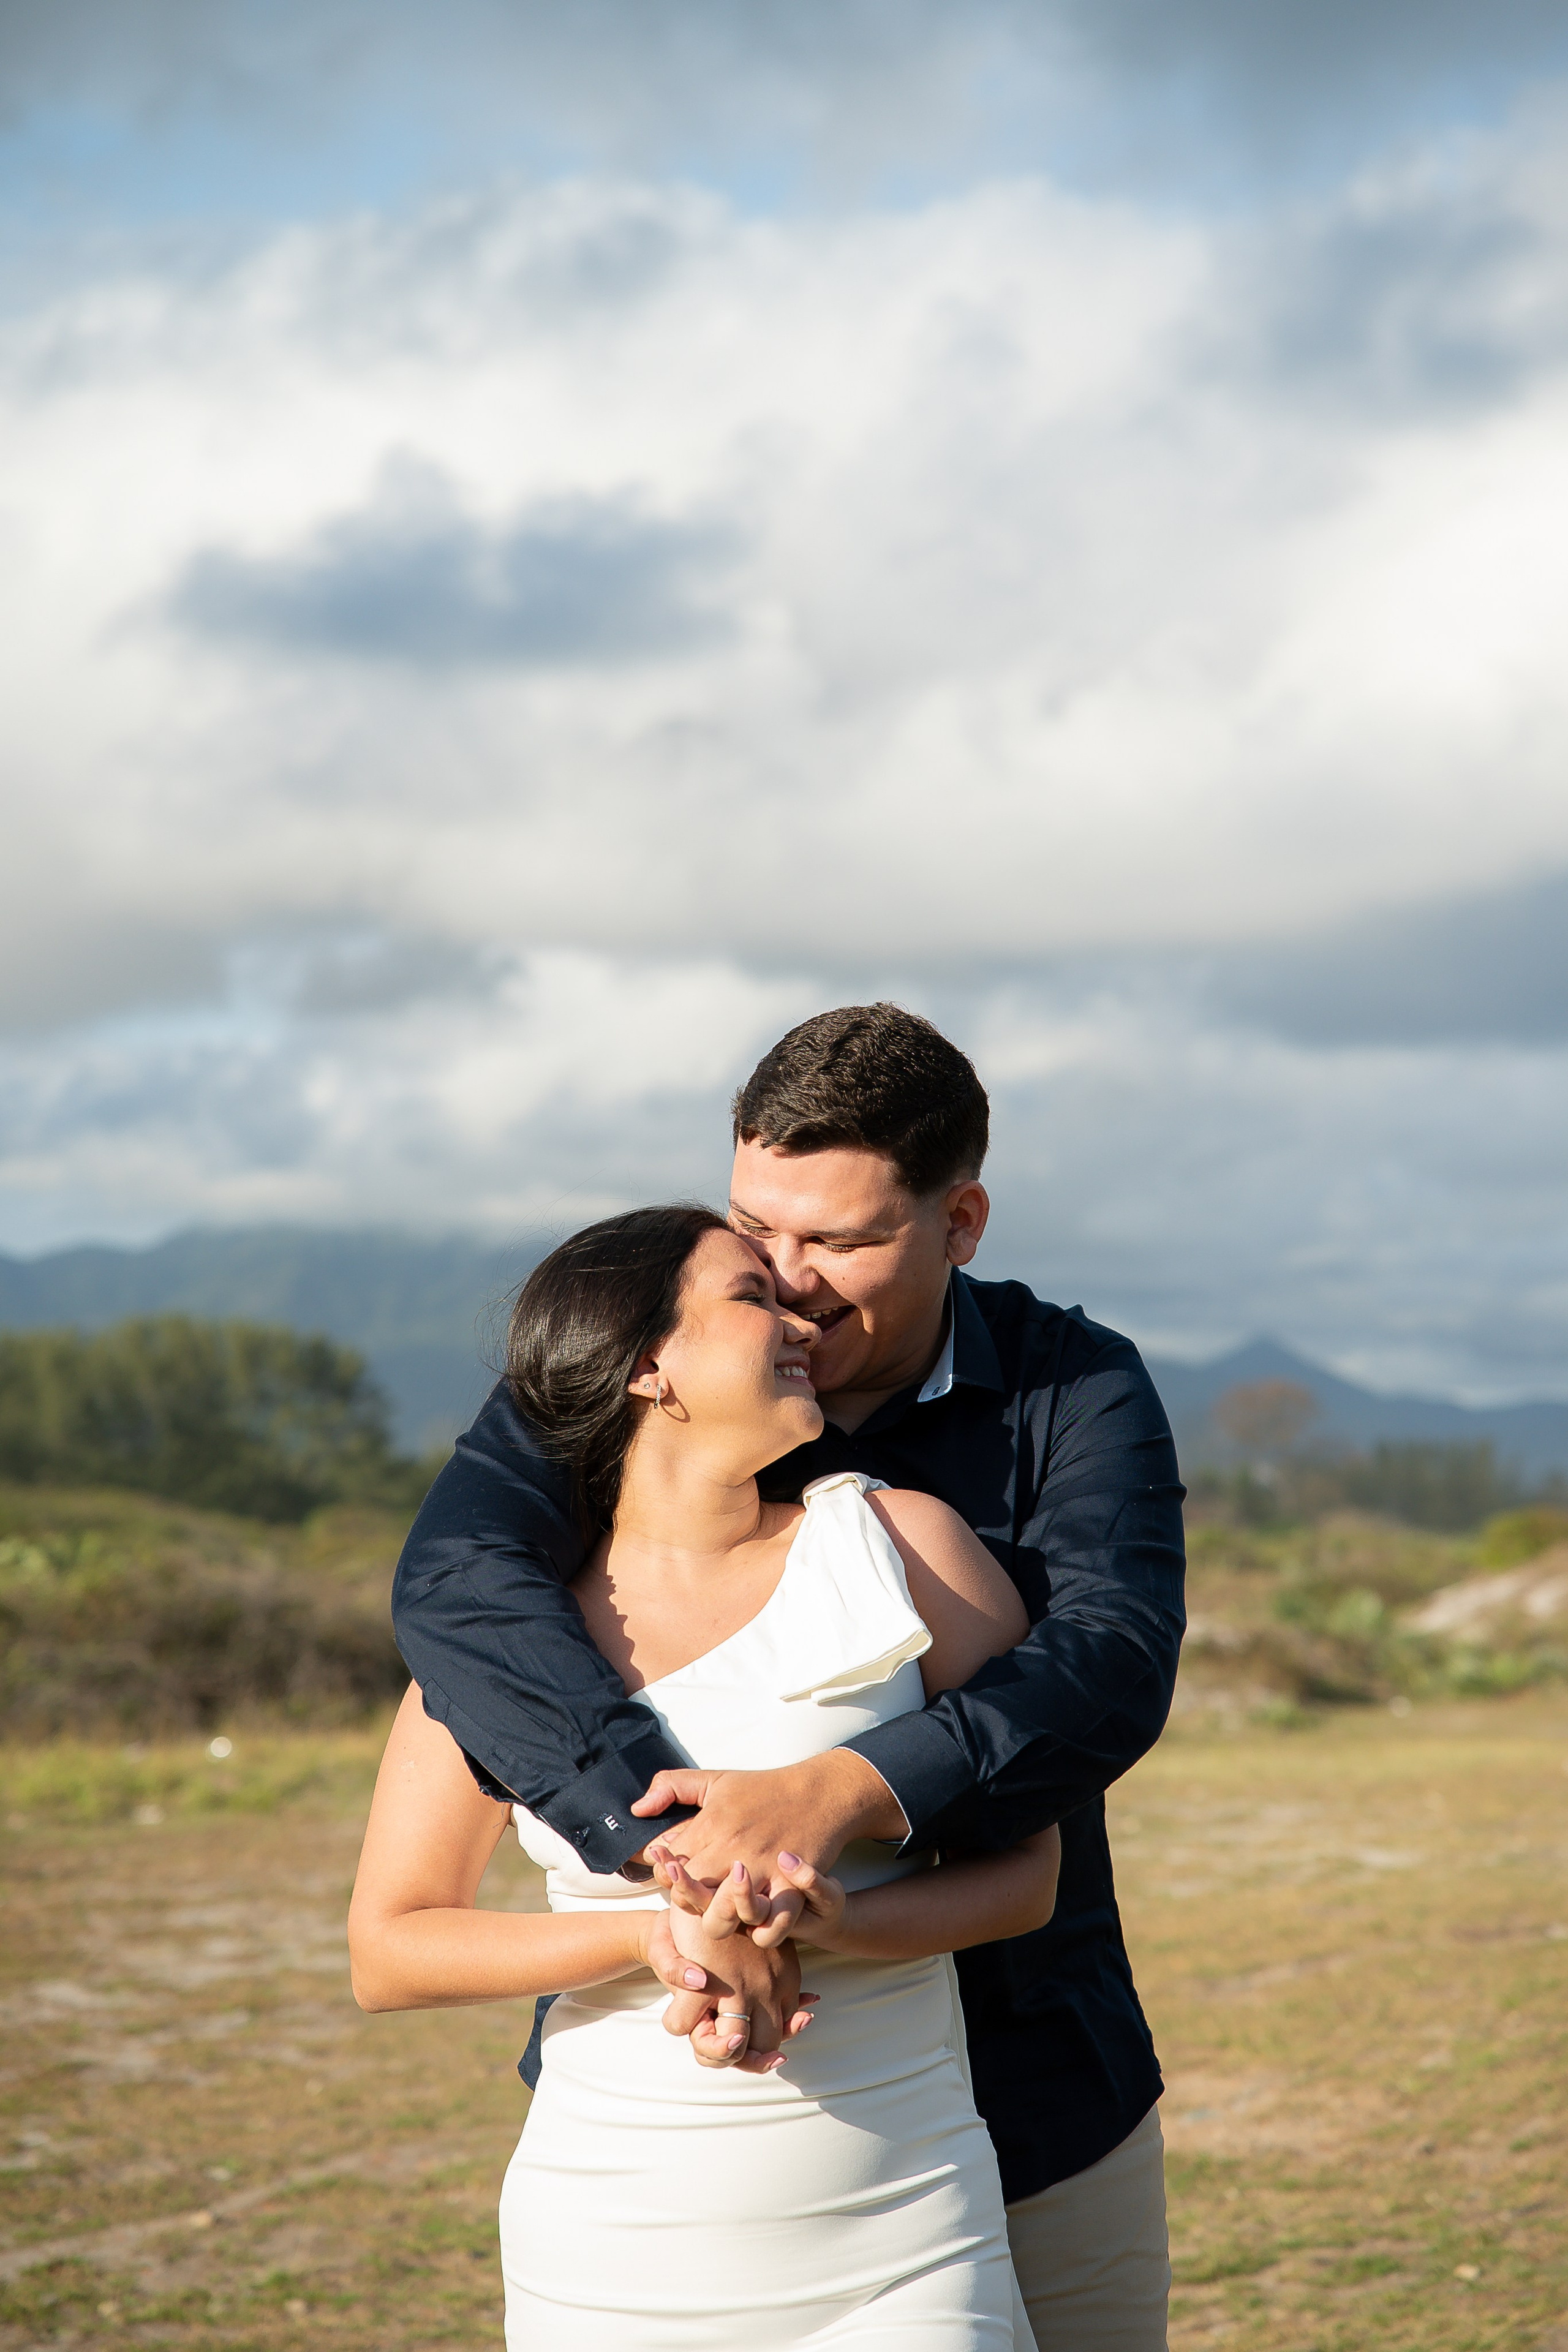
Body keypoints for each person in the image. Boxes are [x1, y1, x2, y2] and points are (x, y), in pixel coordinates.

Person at [393, 1003, 1186, 2351]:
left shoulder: (1074, 1392)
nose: (791, 1278)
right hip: (690, 2105)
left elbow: (1103, 1669)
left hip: (1037, 2073)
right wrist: (692, 1870)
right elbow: (460, 1586)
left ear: (961, 1223)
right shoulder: (624, 1373)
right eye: (758, 1231)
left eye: (836, 1240)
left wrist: (846, 1790)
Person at [351, 1204, 1060, 2346]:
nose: (801, 1322)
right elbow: (389, 1948)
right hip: (613, 2242)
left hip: (908, 2231)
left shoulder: (907, 1549)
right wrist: (650, 1940)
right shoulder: (504, 1645)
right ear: (647, 1368)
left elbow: (1030, 1873)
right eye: (751, 1296)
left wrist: (836, 1921)